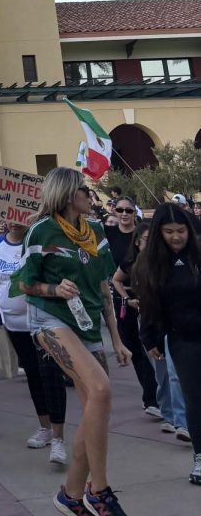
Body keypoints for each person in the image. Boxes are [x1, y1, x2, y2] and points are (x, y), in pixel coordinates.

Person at [12, 167, 131, 516]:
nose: (90, 196)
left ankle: (71, 493)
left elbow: (104, 288)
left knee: (97, 410)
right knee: (102, 390)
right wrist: (54, 289)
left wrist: (117, 338)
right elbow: (24, 284)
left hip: (87, 323)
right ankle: (100, 489)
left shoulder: (96, 230)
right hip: (50, 320)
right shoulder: (41, 230)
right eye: (83, 190)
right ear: (66, 195)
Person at [0, 220, 68, 464]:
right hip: (13, 324)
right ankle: (45, 428)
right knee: (32, 373)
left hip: (41, 321)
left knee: (50, 374)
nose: (14, 222)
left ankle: (59, 436)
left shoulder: (37, 239)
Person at [133, 202, 201, 486]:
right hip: (183, 340)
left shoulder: (198, 256)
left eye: (181, 230)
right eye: (170, 231)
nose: (176, 237)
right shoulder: (150, 265)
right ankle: (200, 457)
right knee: (195, 400)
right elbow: (149, 306)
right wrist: (149, 339)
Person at [113, 220, 189, 441]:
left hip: (180, 327)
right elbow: (145, 301)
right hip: (155, 326)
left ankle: (180, 419)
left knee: (175, 374)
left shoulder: (181, 261)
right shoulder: (138, 266)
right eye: (168, 232)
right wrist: (128, 300)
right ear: (137, 242)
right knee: (165, 373)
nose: (174, 238)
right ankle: (172, 415)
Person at [104, 196, 159, 415]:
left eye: (128, 210)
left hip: (148, 296)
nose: (124, 214)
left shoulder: (144, 234)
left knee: (153, 344)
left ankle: (160, 395)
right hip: (123, 297)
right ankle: (150, 396)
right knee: (133, 346)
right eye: (120, 210)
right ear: (114, 212)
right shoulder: (109, 235)